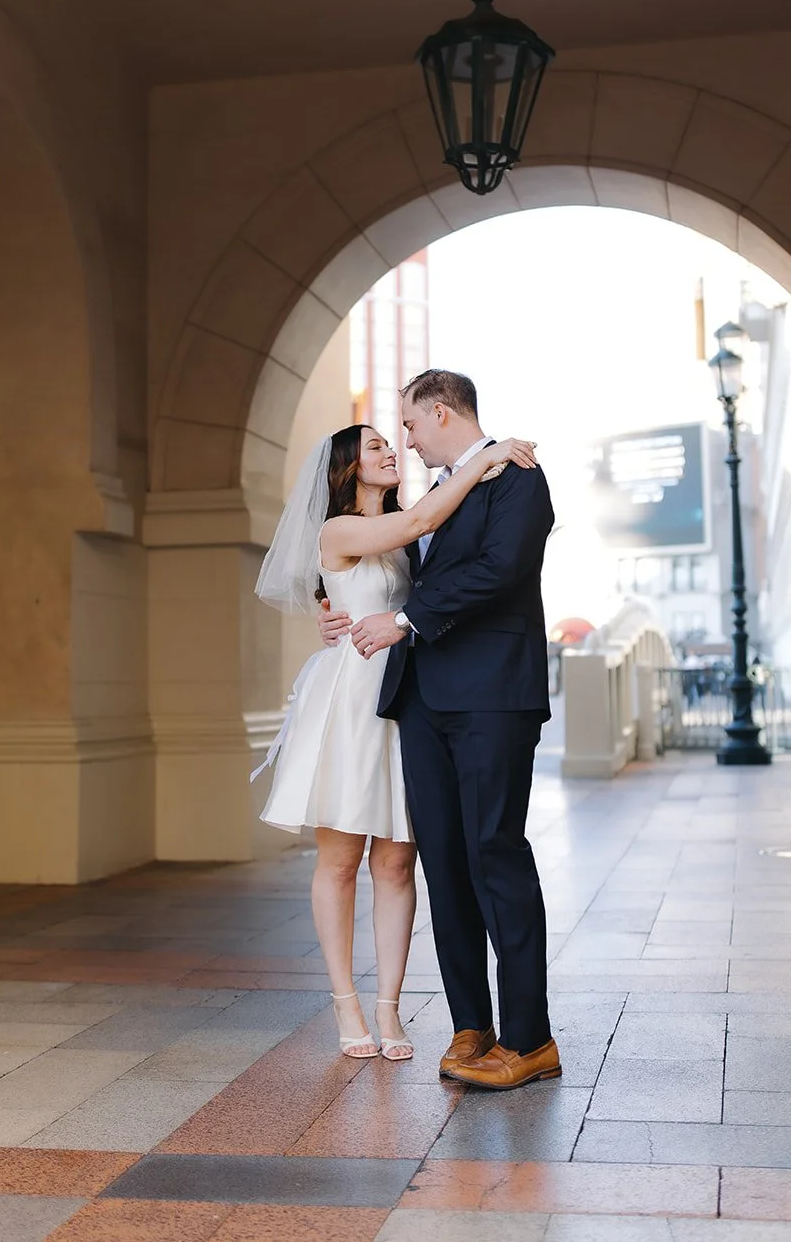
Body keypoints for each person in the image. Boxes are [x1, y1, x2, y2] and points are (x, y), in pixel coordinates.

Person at [255, 421, 537, 1062]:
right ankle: (345, 1003)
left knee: (396, 861)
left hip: (407, 700)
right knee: (341, 859)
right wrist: (484, 459)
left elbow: (428, 567)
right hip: (352, 702)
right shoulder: (341, 530)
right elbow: (412, 527)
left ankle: (390, 1008)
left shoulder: (412, 533)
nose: (394, 450)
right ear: (350, 468)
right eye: (378, 446)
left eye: (396, 436)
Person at [319, 370, 560, 1091]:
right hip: (420, 701)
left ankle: (528, 1038)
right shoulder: (426, 497)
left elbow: (498, 570)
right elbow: (388, 564)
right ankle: (470, 1026)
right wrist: (343, 613)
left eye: (410, 424)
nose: (406, 439)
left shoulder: (516, 475)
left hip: (491, 697)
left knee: (495, 855)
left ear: (442, 412)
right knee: (445, 866)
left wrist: (398, 621)